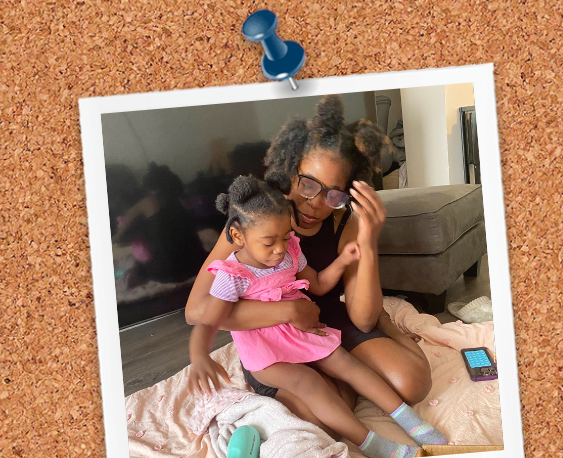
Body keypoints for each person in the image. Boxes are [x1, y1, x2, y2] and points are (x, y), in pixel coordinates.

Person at [185, 94, 432, 438]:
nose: (315, 203)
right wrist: (288, 313)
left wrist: (368, 240)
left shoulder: (344, 219)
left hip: (328, 320)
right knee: (317, 420)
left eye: (333, 193)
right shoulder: (255, 220)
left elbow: (361, 317)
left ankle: (390, 326)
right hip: (273, 338)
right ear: (291, 171)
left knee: (412, 383)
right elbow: (197, 311)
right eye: (308, 184)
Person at [187, 174, 446, 458]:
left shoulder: (289, 253)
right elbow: (209, 318)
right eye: (269, 242)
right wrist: (199, 355)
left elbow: (319, 283)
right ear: (238, 236)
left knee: (345, 363)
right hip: (267, 353)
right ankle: (373, 443)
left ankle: (410, 420)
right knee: (309, 384)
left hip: (301, 331)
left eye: (285, 237)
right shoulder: (230, 275)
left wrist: (344, 261)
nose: (279, 249)